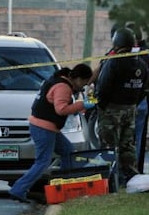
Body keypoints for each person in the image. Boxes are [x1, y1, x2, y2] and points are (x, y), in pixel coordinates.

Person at [9, 63, 94, 203]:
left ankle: (63, 188)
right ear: (78, 78)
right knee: (43, 162)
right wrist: (82, 105)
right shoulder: (63, 87)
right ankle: (18, 189)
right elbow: (60, 109)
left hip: (45, 126)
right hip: (44, 127)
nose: (83, 86)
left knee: (68, 152)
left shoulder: (59, 80)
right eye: (84, 83)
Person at [95, 27, 149, 185]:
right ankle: (131, 179)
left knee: (108, 145)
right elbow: (144, 89)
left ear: (116, 42)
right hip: (130, 109)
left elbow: (102, 87)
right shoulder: (140, 62)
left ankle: (110, 180)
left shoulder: (113, 62)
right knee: (128, 145)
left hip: (111, 109)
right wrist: (132, 104)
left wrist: (101, 105)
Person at [125, 22, 149, 173]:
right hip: (139, 100)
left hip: (135, 101)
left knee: (129, 138)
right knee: (136, 137)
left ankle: (132, 170)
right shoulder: (144, 52)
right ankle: (135, 170)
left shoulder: (129, 53)